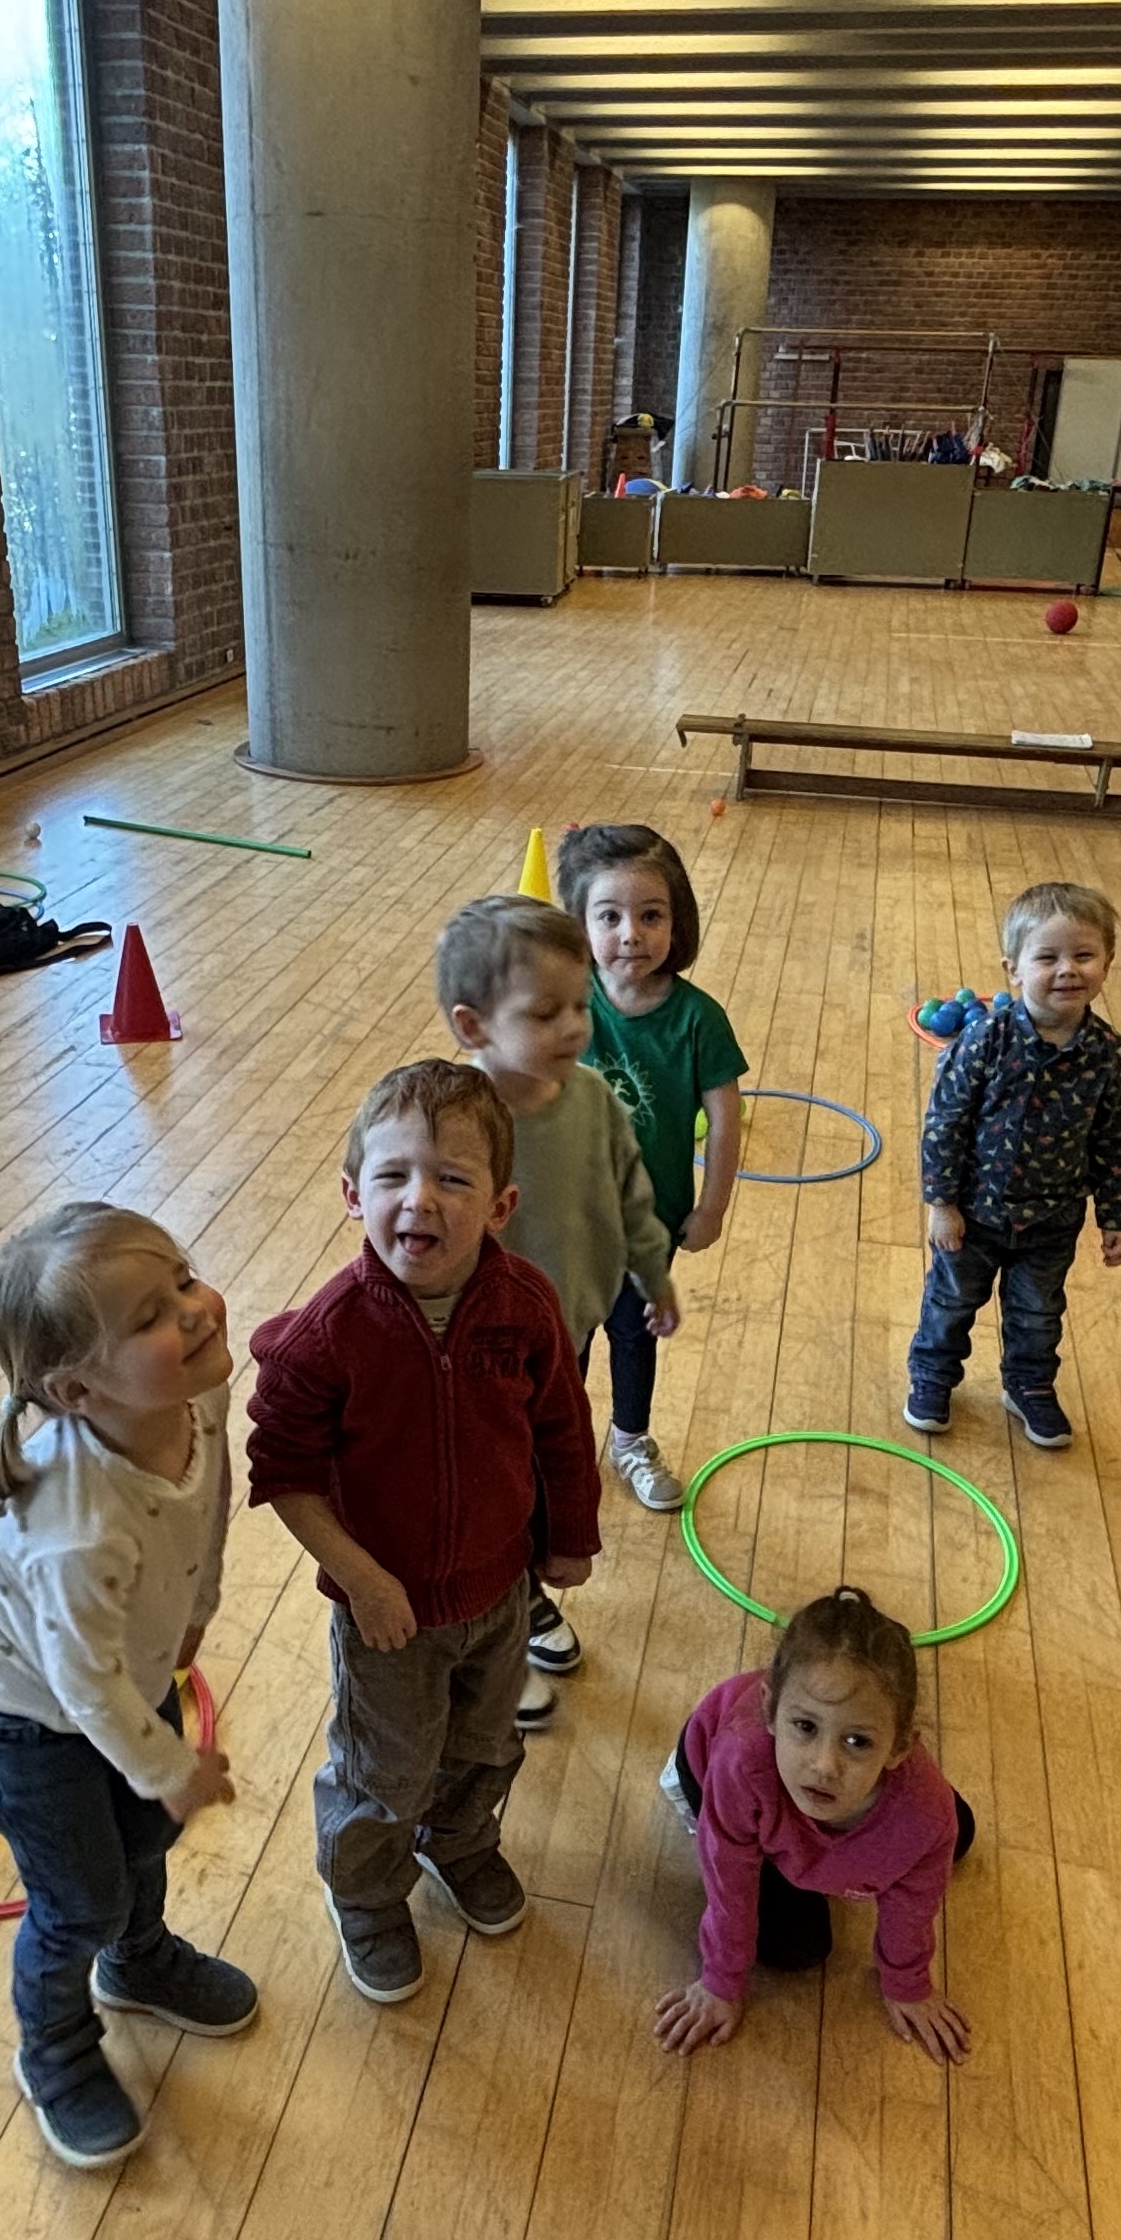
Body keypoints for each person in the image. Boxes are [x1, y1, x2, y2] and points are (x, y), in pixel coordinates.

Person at [246, 1061, 601, 2006]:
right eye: (394, 1175)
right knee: (384, 1771)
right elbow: (280, 1472)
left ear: (500, 1205)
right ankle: (366, 1895)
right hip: (389, 1618)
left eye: (452, 1178)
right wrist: (362, 1580)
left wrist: (570, 1533)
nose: (420, 1200)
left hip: (501, 1591)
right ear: (352, 1193)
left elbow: (563, 1426)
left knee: (487, 1744)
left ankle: (461, 1842)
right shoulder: (330, 1333)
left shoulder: (525, 1306)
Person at [0, 1202, 253, 2172]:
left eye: (184, 1279)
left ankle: (139, 1960)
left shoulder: (194, 1397)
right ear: (76, 1391)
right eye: (152, 1315)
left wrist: (198, 1610)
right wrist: (171, 1769)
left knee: (143, 1843)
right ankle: (57, 2050)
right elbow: (82, 1684)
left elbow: (211, 1503)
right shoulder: (74, 1528)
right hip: (28, 1715)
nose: (194, 1311)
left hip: (123, 1672)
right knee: (79, 1899)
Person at [436, 892, 677, 1727]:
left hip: (563, 1334)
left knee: (537, 1478)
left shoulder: (595, 1099)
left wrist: (652, 1272)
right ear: (473, 1026)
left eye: (581, 1005)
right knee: (491, 1490)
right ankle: (492, 1646)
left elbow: (630, 1190)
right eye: (546, 1013)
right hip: (476, 1351)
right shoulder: (456, 1124)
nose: (575, 1027)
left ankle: (518, 1598)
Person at [652, 1586, 974, 2068]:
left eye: (857, 1742)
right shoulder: (740, 1762)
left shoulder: (926, 1814)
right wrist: (721, 1981)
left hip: (809, 1801)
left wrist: (907, 1983)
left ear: (900, 1748)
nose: (824, 1766)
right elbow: (729, 1879)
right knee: (799, 1947)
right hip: (713, 1766)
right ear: (770, 1712)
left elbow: (914, 1903)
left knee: (956, 1832)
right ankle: (703, 1792)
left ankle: (820, 1821)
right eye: (805, 1727)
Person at [555, 823, 747, 1518]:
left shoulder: (699, 1019)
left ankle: (630, 1440)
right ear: (581, 925)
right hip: (568, 1221)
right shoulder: (566, 1000)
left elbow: (725, 1119)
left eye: (651, 915)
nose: (630, 934)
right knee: (568, 1338)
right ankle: (561, 1443)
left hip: (649, 1221)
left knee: (634, 1333)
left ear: (677, 922)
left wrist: (712, 1207)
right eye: (609, 917)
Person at [907, 880, 1121, 1450]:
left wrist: (1116, 1215)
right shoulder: (983, 1039)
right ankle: (932, 1377)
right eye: (1047, 957)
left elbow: (1119, 1139)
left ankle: (1030, 1386)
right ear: (1013, 969)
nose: (1067, 970)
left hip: (1052, 1220)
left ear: (1107, 964)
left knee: (1039, 1312)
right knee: (952, 1301)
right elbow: (945, 1124)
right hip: (974, 1214)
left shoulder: (1110, 1055)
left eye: (1083, 955)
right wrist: (941, 1204)